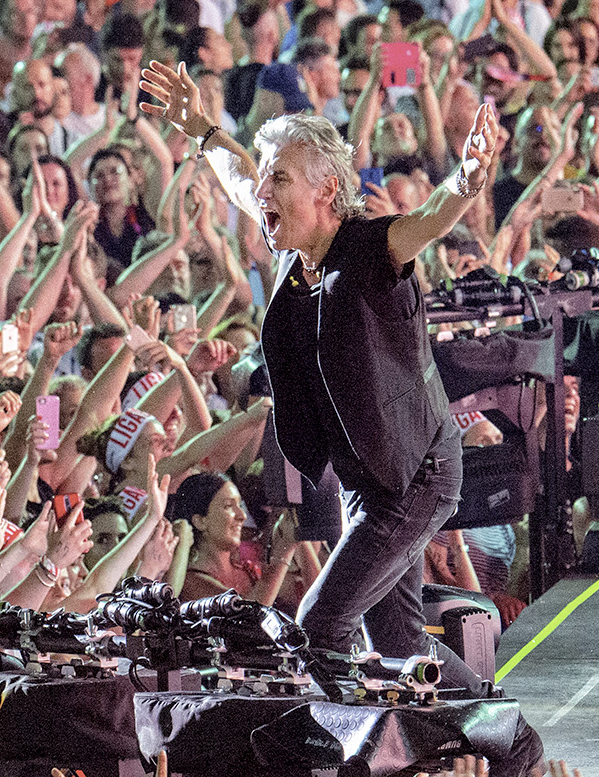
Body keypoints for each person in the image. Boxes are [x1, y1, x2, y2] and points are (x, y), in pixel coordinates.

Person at [139, 58, 500, 674]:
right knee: (398, 645)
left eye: (279, 180)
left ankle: (340, 756)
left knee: (322, 623)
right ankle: (497, 735)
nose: (262, 193)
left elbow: (426, 220)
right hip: (371, 478)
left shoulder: (368, 247)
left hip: (419, 473)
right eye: (268, 180)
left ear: (326, 192)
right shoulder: (294, 247)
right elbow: (237, 175)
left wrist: (467, 178)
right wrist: (201, 132)